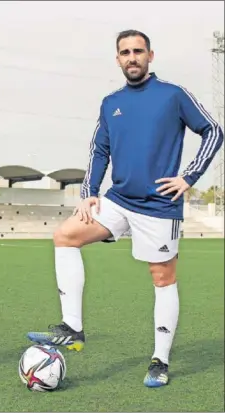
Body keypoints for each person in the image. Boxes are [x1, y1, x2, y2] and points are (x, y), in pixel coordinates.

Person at [27, 29, 223, 388]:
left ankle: (159, 360)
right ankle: (73, 328)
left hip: (159, 205)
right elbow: (99, 150)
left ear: (150, 55)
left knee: (161, 278)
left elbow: (212, 131)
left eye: (137, 51)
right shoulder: (110, 102)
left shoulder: (173, 95)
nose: (131, 57)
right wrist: (88, 192)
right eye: (124, 52)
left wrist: (189, 177)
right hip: (118, 200)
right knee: (65, 235)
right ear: (117, 59)